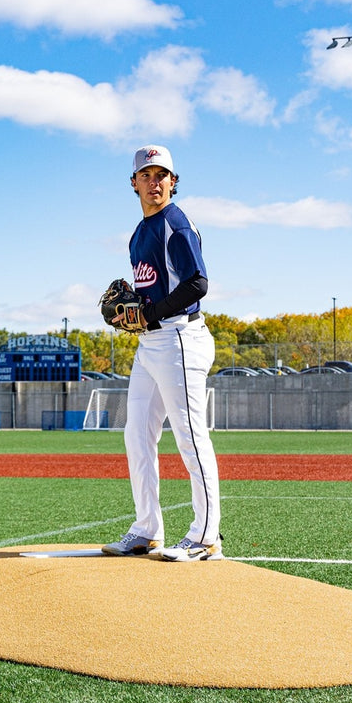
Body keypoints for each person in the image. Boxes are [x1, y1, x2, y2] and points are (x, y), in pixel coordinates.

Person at [101, 145, 222, 563]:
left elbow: (196, 284)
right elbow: (154, 287)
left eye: (162, 175)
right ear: (133, 183)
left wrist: (150, 311)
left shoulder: (176, 222)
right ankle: (147, 528)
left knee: (189, 436)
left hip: (179, 339)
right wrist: (133, 308)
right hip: (150, 344)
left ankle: (206, 536)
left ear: (174, 181)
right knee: (136, 435)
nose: (155, 182)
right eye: (146, 175)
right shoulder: (139, 232)